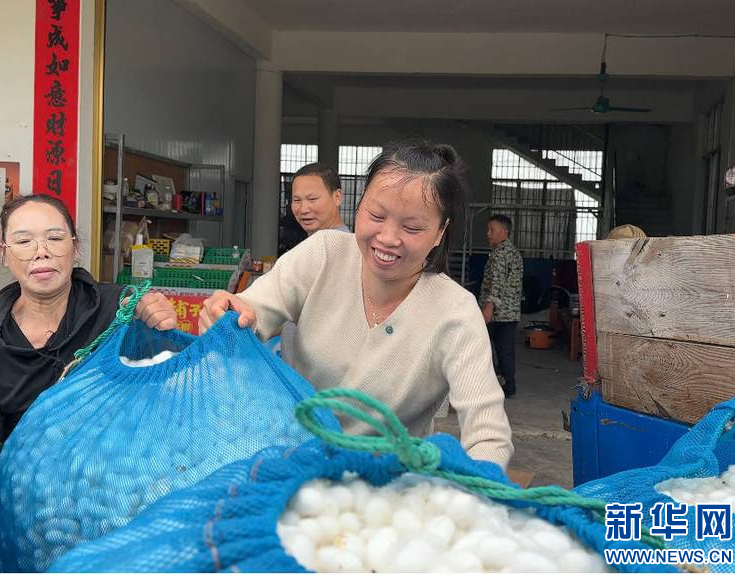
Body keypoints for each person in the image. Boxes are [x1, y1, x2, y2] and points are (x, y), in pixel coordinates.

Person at [200, 140, 513, 469]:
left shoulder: (455, 312)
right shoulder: (323, 254)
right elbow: (251, 313)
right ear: (358, 204)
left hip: (386, 482)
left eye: (411, 227)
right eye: (376, 215)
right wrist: (229, 313)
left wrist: (482, 483)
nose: (387, 238)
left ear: (440, 232)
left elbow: (488, 435)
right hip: (293, 462)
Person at [0, 195, 178, 512]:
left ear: (75, 247)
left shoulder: (118, 312)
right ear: (4, 254)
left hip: (117, 492)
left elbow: (164, 399)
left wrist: (156, 314)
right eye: (24, 241)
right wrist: (7, 514)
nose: (41, 251)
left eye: (55, 238)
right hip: (25, 497)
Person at [280, 162, 352, 364]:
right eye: (297, 200)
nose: (303, 209)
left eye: (312, 199)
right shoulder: (310, 248)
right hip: (298, 372)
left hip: (320, 374)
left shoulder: (340, 250)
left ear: (337, 197)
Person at [479, 214, 523, 399]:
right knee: (505, 349)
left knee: (481, 346)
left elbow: (497, 283)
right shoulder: (512, 252)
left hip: (498, 313)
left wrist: (488, 307)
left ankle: (497, 382)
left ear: (504, 231)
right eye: (488, 230)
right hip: (509, 312)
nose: (488, 234)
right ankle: (507, 384)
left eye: (492, 230)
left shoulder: (500, 253)